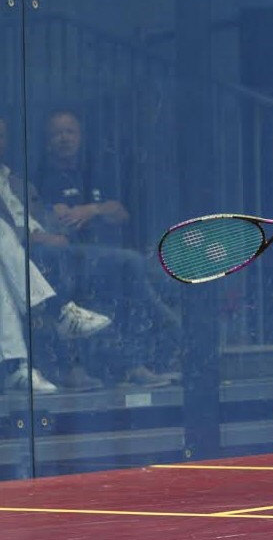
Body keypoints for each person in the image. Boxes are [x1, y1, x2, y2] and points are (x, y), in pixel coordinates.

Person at [33, 109, 177, 389]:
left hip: (102, 259)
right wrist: (50, 215)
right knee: (132, 270)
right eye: (57, 133)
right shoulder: (38, 176)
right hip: (61, 263)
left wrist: (92, 210)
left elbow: (121, 213)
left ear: (81, 136)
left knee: (139, 280)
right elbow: (30, 222)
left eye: (70, 131)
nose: (64, 138)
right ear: (47, 141)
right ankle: (121, 366)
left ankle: (139, 364)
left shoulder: (94, 172)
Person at [0, 116, 111, 393]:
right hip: (30, 252)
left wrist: (55, 219)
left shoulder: (14, 181)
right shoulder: (41, 174)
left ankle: (19, 367)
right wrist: (39, 237)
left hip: (27, 257)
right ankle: (58, 313)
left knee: (124, 263)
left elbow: (39, 219)